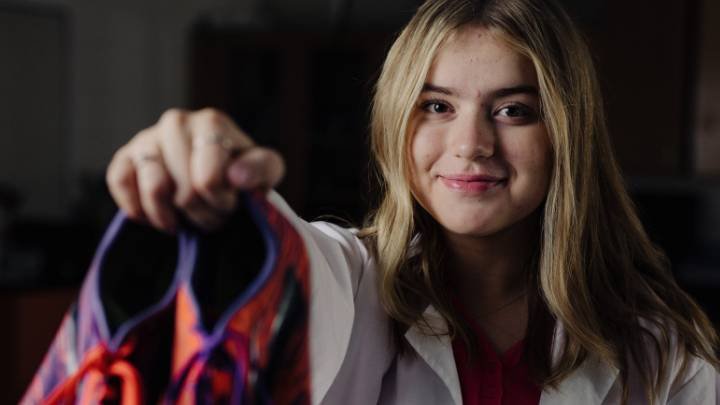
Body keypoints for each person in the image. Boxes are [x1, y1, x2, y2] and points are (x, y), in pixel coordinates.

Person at [106, 0, 720, 403]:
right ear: (395, 124)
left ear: (567, 135)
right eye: (437, 106)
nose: (472, 145)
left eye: (513, 111)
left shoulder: (664, 355)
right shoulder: (351, 275)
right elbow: (286, 257)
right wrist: (220, 192)